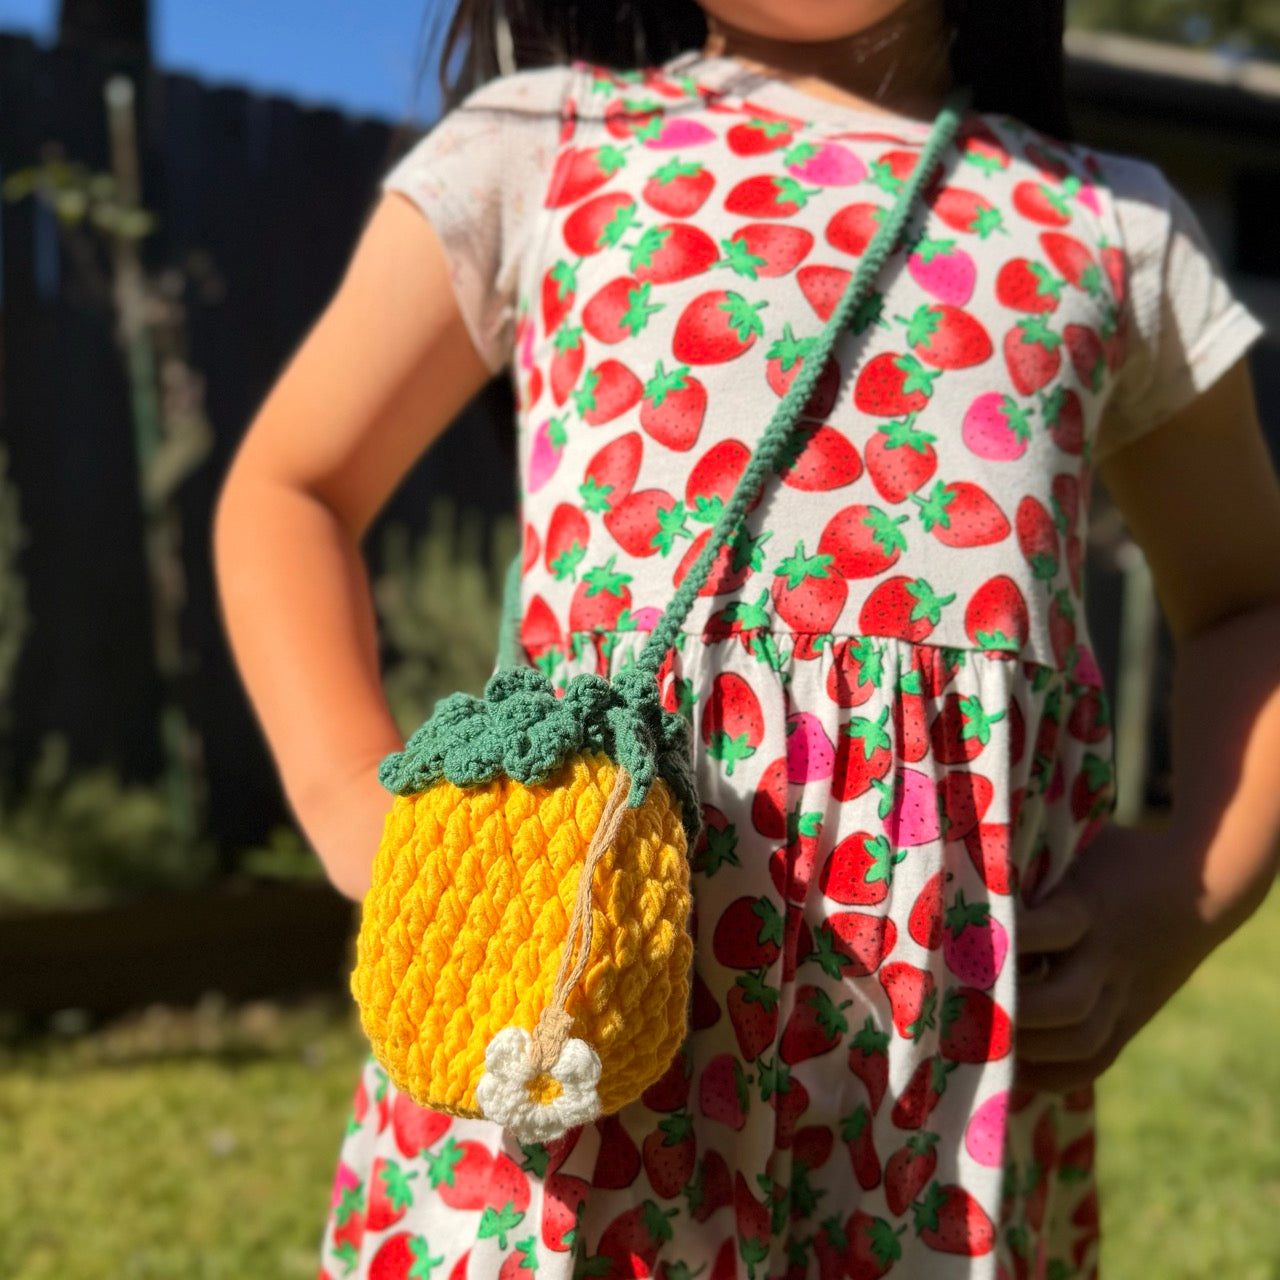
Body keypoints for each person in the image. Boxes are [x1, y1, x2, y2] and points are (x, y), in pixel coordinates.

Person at [211, 1, 1280, 1276]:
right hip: (568, 1025)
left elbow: (1248, 601)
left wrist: (1191, 886)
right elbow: (292, 488)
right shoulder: (543, 148)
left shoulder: (1102, 228)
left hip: (925, 1121)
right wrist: (352, 801)